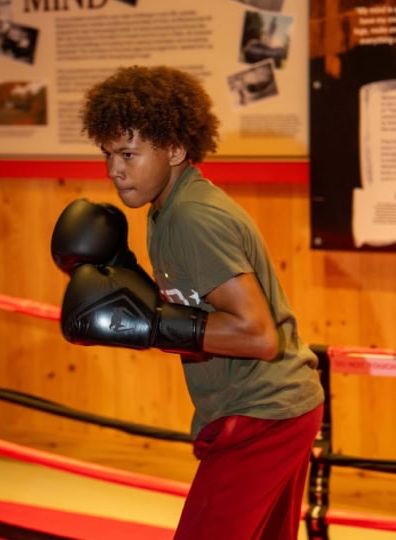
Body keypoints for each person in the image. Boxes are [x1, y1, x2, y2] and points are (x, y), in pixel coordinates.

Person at [51, 65, 325, 540]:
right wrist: (132, 284)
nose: (115, 169)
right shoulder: (168, 210)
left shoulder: (193, 217)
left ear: (175, 149)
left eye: (130, 153)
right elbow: (201, 308)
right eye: (108, 153)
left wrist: (154, 325)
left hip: (262, 411)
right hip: (276, 406)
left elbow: (257, 335)